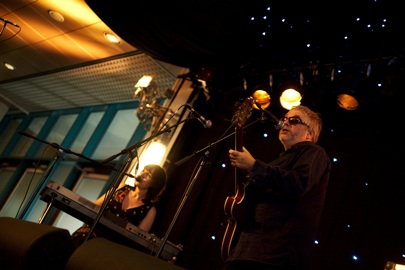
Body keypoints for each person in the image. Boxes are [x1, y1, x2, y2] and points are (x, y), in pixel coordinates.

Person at [224, 105, 331, 270]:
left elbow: (298, 184)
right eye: (285, 119)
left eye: (294, 120)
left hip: (275, 254)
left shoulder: (314, 152)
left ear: (310, 134)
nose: (285, 123)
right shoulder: (277, 162)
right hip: (247, 249)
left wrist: (254, 165)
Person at [71, 164, 167, 248]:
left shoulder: (150, 210)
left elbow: (137, 240)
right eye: (143, 171)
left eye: (148, 174)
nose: (142, 175)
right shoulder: (120, 187)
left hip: (111, 246)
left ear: (155, 184)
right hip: (90, 232)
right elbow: (93, 207)